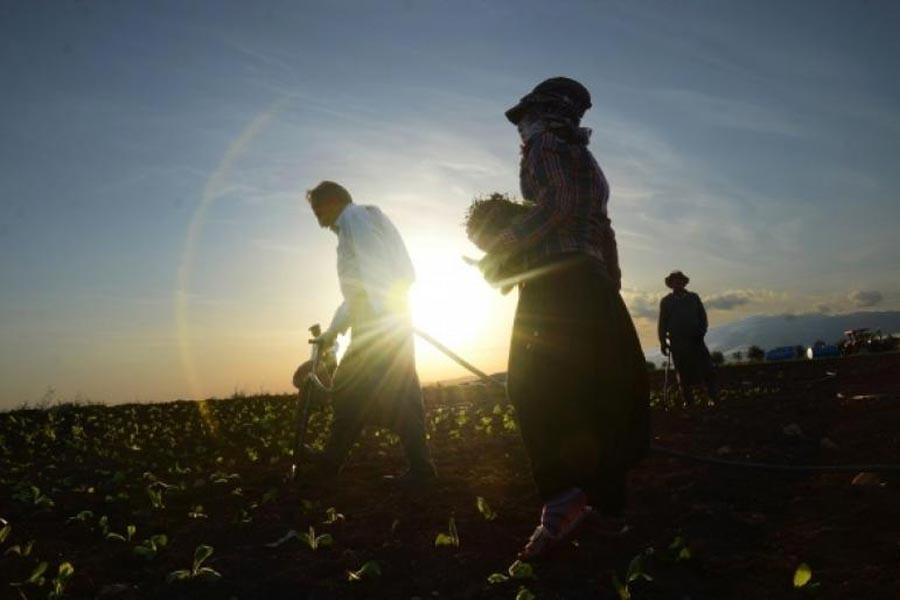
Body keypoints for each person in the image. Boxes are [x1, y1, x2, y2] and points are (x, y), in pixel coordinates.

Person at [479, 77, 650, 559]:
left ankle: (561, 500)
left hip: (556, 290)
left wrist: (501, 248)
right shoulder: (588, 161)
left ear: (544, 112)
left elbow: (558, 204)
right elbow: (603, 226)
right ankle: (609, 510)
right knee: (601, 396)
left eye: (525, 117)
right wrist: (608, 281)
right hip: (593, 287)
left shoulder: (543, 146)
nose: (522, 129)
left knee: (532, 389)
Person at [305, 181, 436, 483]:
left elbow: (373, 271)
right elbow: (358, 292)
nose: (316, 216)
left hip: (379, 323)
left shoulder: (355, 219)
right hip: (383, 318)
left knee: (361, 390)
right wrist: (332, 333)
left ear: (334, 200)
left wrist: (382, 320)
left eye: (317, 208)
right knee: (369, 392)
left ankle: (417, 468)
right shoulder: (362, 219)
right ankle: (335, 461)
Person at [657, 270, 718, 406]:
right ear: (671, 284)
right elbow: (662, 323)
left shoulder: (693, 298)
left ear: (684, 283)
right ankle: (688, 401)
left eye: (680, 280)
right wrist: (662, 342)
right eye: (674, 281)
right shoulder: (666, 302)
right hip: (677, 342)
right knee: (683, 372)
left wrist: (701, 332)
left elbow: (703, 317)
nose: (677, 283)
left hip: (696, 340)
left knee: (706, 369)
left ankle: (712, 397)